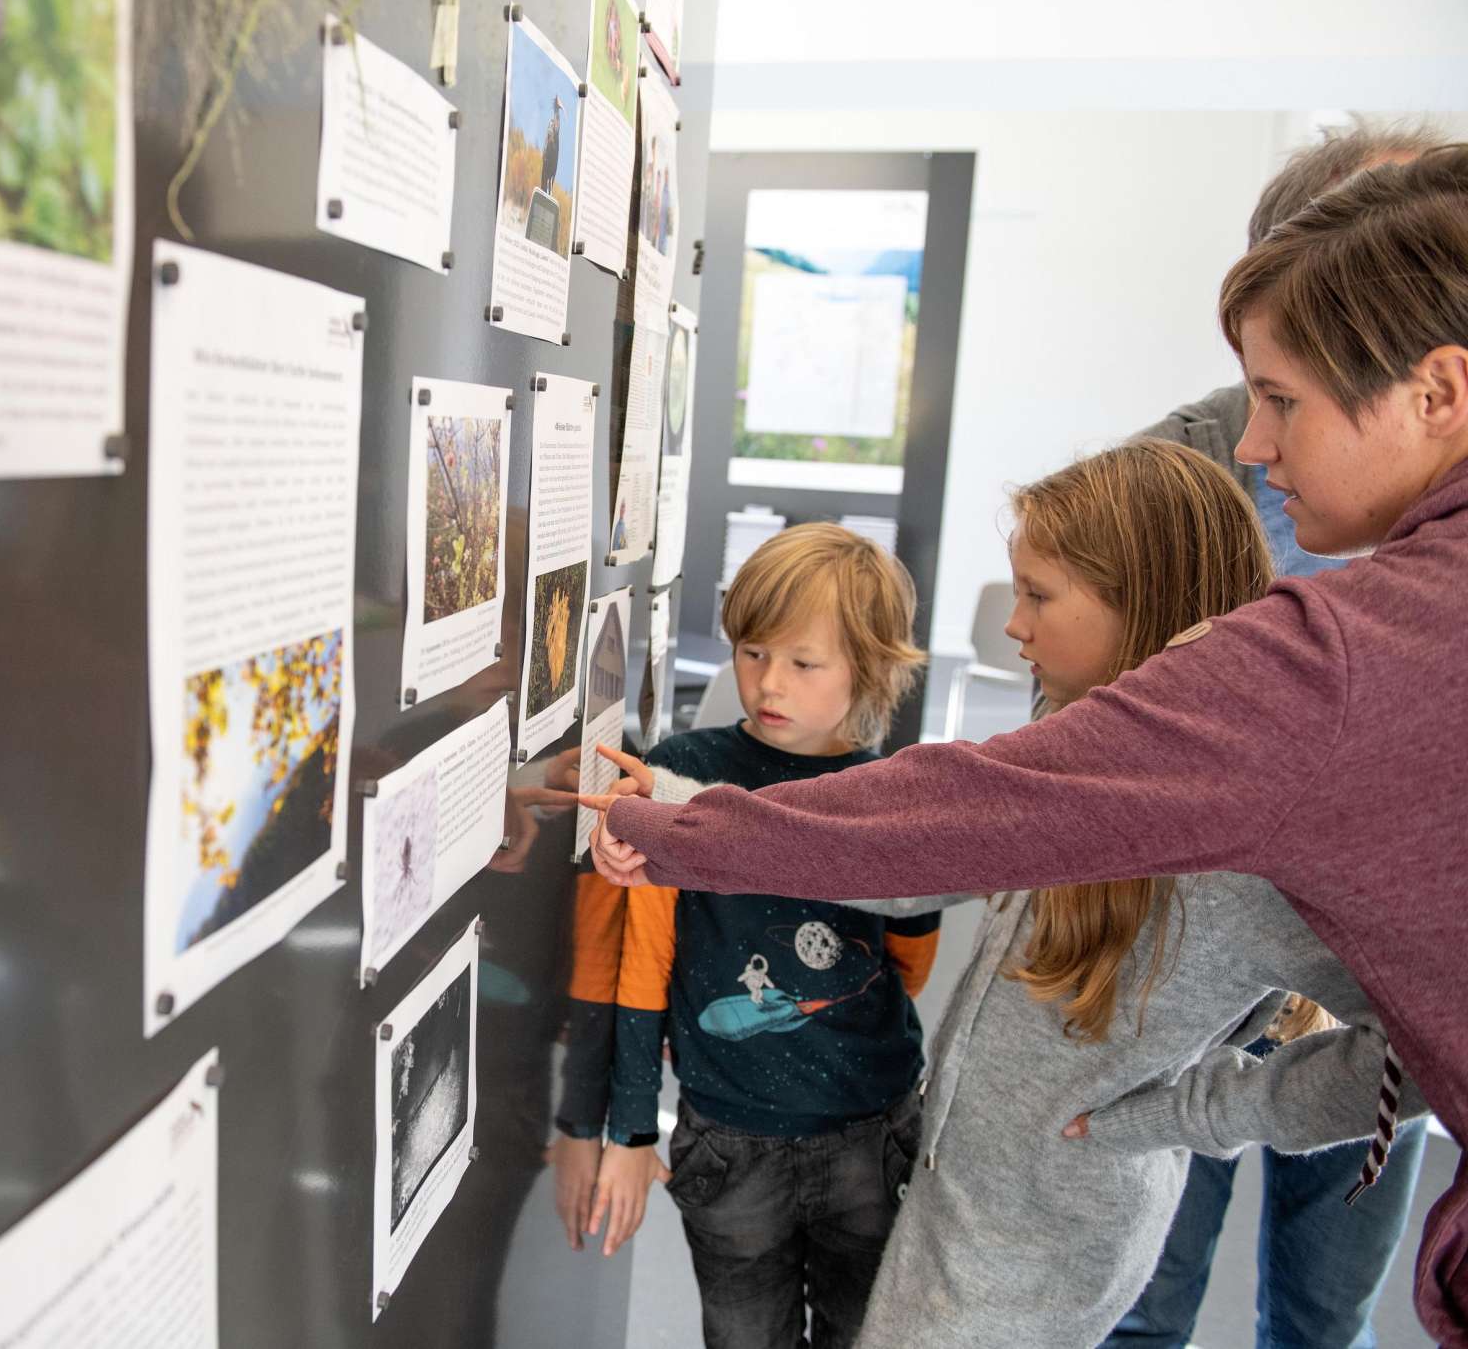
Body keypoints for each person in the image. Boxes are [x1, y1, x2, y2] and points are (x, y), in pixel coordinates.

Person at [582, 146, 1468, 1342]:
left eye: (1281, 399)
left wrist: (1181, 1117)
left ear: (1435, 391)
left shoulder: (1350, 660)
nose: (1254, 445)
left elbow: (960, 820)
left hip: (1033, 1245)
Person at [1105, 119, 1448, 1349]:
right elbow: (1075, 729)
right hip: (1191, 969)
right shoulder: (1178, 468)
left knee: (1324, 1302)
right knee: (1144, 1291)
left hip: (1378, 992)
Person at [583, 523, 942, 1349]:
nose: (768, 682)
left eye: (804, 663)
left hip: (871, 1134)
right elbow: (643, 967)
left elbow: (910, 959)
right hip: (727, 1142)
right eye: (752, 652)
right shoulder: (680, 770)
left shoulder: (895, 794)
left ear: (870, 667)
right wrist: (632, 1130)